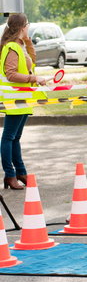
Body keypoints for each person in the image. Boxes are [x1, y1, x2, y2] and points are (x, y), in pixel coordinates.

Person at [0, 14, 46, 190]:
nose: (29, 27)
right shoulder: (11, 47)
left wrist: (28, 41)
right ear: (22, 26)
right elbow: (11, 74)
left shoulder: (20, 45)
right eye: (27, 25)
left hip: (23, 98)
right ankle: (10, 175)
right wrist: (33, 78)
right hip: (14, 98)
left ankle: (20, 172)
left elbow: (32, 61)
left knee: (15, 137)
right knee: (9, 137)